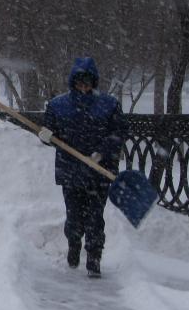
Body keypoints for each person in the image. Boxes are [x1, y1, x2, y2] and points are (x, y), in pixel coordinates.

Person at [39, 57, 128, 276]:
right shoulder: (58, 106)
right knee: (74, 215)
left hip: (99, 172)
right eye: (80, 82)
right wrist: (46, 135)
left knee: (96, 217)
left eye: (88, 82)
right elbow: (49, 131)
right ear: (73, 82)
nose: (84, 86)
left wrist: (102, 152)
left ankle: (94, 258)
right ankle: (74, 244)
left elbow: (118, 133)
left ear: (94, 82)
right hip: (71, 171)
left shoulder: (108, 105)